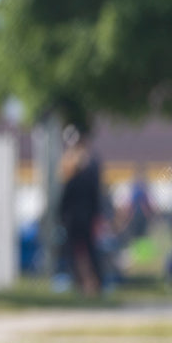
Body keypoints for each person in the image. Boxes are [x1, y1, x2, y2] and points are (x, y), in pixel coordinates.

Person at [58, 125, 103, 297]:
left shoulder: (71, 180)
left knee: (77, 253)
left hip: (74, 222)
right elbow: (95, 199)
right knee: (88, 252)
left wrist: (60, 218)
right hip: (86, 220)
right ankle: (92, 284)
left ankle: (85, 284)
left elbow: (63, 204)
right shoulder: (90, 175)